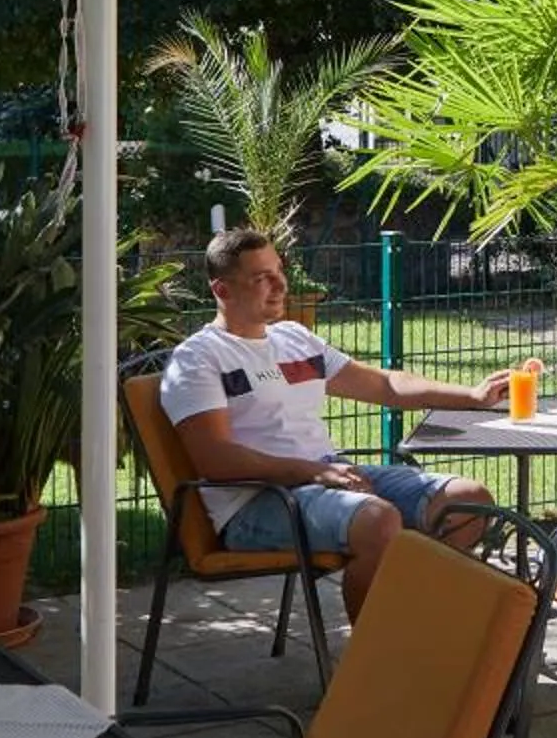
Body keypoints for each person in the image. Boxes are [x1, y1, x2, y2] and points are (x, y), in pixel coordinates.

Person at [158, 227, 503, 625]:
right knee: (377, 520)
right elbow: (216, 459)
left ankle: (421, 625)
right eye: (261, 278)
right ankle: (375, 662)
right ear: (222, 290)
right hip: (254, 503)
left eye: (278, 270)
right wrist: (316, 471)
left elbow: (386, 383)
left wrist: (473, 396)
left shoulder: (294, 340)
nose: (280, 284)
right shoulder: (198, 359)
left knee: (468, 500)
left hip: (326, 475)